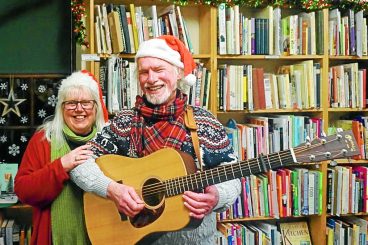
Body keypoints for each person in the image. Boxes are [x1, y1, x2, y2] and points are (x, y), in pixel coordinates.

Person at [71, 35, 241, 244]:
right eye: (144, 72)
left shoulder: (204, 122)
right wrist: (112, 190)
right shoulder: (125, 121)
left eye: (159, 70)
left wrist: (217, 196)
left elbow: (233, 175)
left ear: (178, 73)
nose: (151, 79)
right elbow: (78, 164)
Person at [14, 70, 108, 245]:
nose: (79, 109)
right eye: (71, 103)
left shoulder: (110, 140)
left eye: (86, 103)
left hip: (104, 235)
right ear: (61, 108)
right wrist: (61, 166)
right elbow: (23, 190)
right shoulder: (43, 140)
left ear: (96, 107)